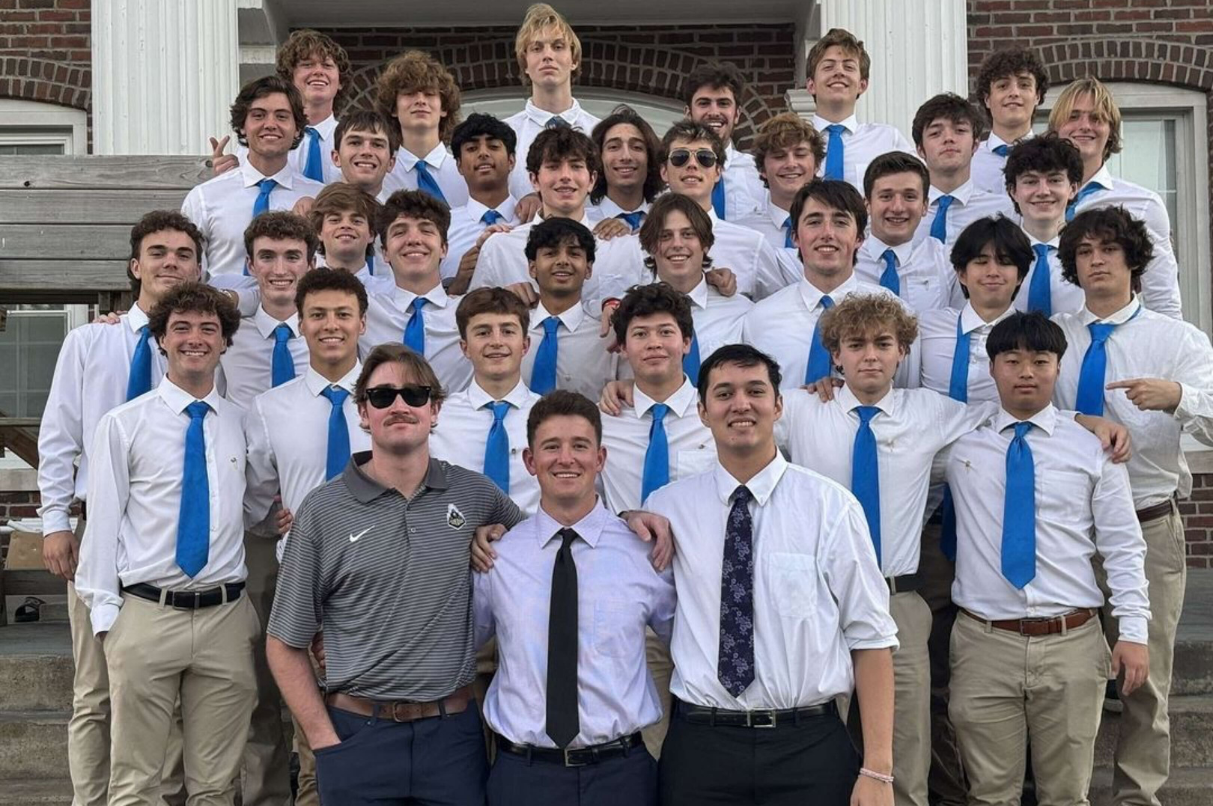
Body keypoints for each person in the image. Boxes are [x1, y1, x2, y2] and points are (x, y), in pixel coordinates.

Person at [266, 344, 526, 806]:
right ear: (363, 413)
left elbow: (544, 543)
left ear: (435, 410)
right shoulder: (322, 510)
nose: (400, 405)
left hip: (452, 739)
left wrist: (500, 530)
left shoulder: (474, 494)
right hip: (356, 737)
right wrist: (323, 740)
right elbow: (284, 643)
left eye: (415, 394)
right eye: (382, 396)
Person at [644, 343, 899, 806]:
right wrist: (627, 517)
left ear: (778, 405)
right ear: (702, 411)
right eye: (724, 393)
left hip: (809, 746)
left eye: (755, 391)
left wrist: (878, 769)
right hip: (702, 746)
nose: (741, 404)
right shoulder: (667, 508)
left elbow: (871, 637)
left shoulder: (830, 507)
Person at [777, 294, 997, 806]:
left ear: (903, 352)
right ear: (836, 355)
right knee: (819, 751)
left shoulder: (928, 411)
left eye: (883, 343)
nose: (870, 355)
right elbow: (720, 419)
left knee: (904, 755)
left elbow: (1008, 415)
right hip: (818, 603)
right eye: (855, 345)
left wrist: (1087, 422)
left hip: (896, 600)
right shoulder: (802, 409)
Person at [947, 311, 1150, 806]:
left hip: (1071, 642)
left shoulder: (1092, 449)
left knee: (1066, 794)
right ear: (992, 368)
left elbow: (1123, 544)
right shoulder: (958, 443)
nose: (1026, 372)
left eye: (1040, 361)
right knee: (990, 795)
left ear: (1059, 368)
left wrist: (1133, 631)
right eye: (1011, 360)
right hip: (983, 643)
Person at [38, 211, 202, 806]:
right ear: (135, 266)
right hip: (98, 528)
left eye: (184, 254)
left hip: (173, 530)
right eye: (158, 252)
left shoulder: (199, 348)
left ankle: (161, 796)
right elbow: (59, 437)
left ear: (198, 269)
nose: (170, 263)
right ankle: (91, 799)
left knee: (169, 686)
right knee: (95, 688)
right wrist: (55, 522)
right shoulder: (90, 342)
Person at [1052, 206, 1213, 806]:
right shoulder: (1055, 336)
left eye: (1109, 250)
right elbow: (1024, 410)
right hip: (1066, 532)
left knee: (1146, 679)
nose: (1097, 261)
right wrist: (1083, 419)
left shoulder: (1176, 340)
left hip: (1147, 525)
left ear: (1133, 259)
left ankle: (1136, 796)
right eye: (1084, 252)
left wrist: (1178, 397)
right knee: (1068, 676)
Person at [76, 283, 256, 805]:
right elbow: (102, 525)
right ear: (161, 339)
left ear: (224, 342)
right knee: (136, 785)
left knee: (215, 788)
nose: (194, 338)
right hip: (147, 615)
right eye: (181, 327)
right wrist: (108, 621)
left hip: (225, 618)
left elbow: (257, 506)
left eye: (208, 329)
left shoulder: (243, 424)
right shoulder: (123, 424)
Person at [474, 390, 676, 806]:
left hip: (621, 774)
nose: (566, 458)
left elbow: (693, 645)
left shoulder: (644, 552)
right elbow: (460, 645)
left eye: (580, 446)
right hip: (523, 775)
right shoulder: (497, 557)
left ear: (600, 458)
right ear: (530, 461)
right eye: (551, 447)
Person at [915, 215, 1033, 806]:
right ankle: (948, 790)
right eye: (980, 261)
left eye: (1005, 262)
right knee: (932, 669)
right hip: (936, 520)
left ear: (1020, 274)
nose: (992, 271)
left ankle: (1020, 786)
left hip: (1004, 523)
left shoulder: (1035, 340)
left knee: (1010, 668)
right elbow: (899, 399)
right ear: (960, 273)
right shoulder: (927, 330)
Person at [244, 267, 371, 806]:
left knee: (375, 729)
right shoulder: (272, 407)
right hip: (306, 584)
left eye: (343, 314)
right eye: (317, 315)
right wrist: (272, 521)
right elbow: (256, 500)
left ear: (363, 322)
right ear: (300, 324)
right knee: (315, 741)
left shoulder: (392, 397)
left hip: (380, 584)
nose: (330, 325)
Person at [742, 179, 911, 389]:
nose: (827, 234)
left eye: (840, 222)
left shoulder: (895, 313)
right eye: (814, 222)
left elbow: (905, 393)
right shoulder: (759, 319)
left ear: (859, 238)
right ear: (795, 237)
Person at [469, 127, 649, 310]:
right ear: (534, 180)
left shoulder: (626, 248)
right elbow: (471, 315)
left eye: (576, 166)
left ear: (592, 180)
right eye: (553, 167)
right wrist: (499, 300)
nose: (565, 176)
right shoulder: (500, 248)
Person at [1049, 77, 1183, 319]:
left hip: (1106, 336)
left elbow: (1163, 301)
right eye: (1073, 116)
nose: (1084, 126)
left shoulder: (1142, 205)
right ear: (1056, 128)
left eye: (1096, 118)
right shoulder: (1029, 200)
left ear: (1110, 133)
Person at [184, 76, 324, 278]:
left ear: (298, 129)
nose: (270, 124)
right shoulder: (204, 198)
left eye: (282, 116)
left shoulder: (319, 198)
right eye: (258, 116)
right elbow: (190, 273)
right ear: (242, 126)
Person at [429, 288, 542, 514]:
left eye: (507, 331)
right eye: (483, 333)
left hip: (534, 534)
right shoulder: (437, 419)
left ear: (525, 345)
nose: (496, 341)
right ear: (465, 348)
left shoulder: (550, 417)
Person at [658, 120, 797, 299]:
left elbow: (779, 307)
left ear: (718, 172)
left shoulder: (751, 245)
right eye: (680, 157)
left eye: (705, 158)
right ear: (664, 172)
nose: (692, 165)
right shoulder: (637, 245)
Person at [361, 189, 473, 392]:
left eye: (426, 230)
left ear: (444, 249)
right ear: (385, 252)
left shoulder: (471, 315)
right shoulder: (364, 311)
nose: (413, 239)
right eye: (399, 232)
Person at [211, 30, 352, 186]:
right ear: (289, 78)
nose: (319, 72)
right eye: (307, 65)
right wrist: (226, 176)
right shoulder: (260, 137)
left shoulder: (352, 141)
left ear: (340, 81)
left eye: (327, 65)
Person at [639, 194, 753, 383]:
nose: (677, 244)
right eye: (665, 236)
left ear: (705, 244)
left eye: (688, 234)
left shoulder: (741, 310)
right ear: (650, 247)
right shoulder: (631, 312)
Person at [504, 3, 601, 213]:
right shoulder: (504, 136)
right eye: (537, 48)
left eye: (558, 47)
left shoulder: (599, 133)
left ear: (574, 60)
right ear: (525, 64)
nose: (547, 56)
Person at [220, 212, 315, 409]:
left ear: (311, 265)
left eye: (292, 257)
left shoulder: (328, 333)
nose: (279, 270)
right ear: (250, 265)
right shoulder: (226, 333)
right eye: (267, 257)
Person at [518, 217, 618, 400]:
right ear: (532, 268)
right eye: (551, 253)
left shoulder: (608, 335)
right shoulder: (512, 330)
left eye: (574, 254)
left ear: (588, 269)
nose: (563, 261)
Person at [806, 27, 914, 190]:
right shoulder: (793, 143)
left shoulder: (888, 140)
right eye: (828, 67)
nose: (839, 72)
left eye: (849, 67)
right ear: (811, 85)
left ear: (862, 85)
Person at [856, 152, 959, 314]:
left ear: (925, 206)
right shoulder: (846, 261)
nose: (897, 207)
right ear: (867, 204)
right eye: (886, 196)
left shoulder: (945, 261)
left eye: (909, 197)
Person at [910, 93, 1014, 254]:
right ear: (920, 150)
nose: (948, 138)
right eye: (935, 133)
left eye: (959, 130)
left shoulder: (1004, 211)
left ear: (976, 144)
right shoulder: (903, 212)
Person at [1004, 134, 1084, 316]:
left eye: (1054, 180)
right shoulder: (996, 255)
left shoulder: (1090, 255)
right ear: (1013, 191)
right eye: (1030, 181)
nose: (1043, 191)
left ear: (1073, 188)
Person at [377, 50, 469, 207]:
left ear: (444, 108)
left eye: (429, 94)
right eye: (409, 94)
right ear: (393, 108)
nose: (420, 100)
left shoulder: (466, 173)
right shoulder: (380, 176)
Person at [444, 114, 522, 290]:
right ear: (459, 166)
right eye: (472, 148)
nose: (483, 153)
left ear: (511, 161)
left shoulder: (532, 220)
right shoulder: (444, 227)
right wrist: (459, 282)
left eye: (493, 146)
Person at [735, 112, 823, 263]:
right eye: (779, 156)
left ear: (817, 165)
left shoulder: (836, 230)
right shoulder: (742, 235)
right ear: (762, 169)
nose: (791, 164)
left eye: (800, 155)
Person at [682, 61, 763, 219]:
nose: (714, 112)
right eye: (704, 103)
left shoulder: (759, 172)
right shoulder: (672, 173)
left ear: (737, 114)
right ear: (688, 113)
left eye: (723, 103)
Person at [969, 47, 1048, 195]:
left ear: (1037, 96)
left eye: (1024, 85)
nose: (1014, 93)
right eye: (1003, 86)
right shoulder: (967, 162)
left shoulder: (1053, 160)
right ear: (987, 99)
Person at [308, 181, 392, 293]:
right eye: (335, 220)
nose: (346, 225)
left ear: (371, 234)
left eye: (356, 221)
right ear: (319, 232)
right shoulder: (300, 292)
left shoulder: (391, 292)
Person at [588, 105, 663, 228]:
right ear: (598, 157)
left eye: (637, 147)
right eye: (614, 147)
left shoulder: (668, 223)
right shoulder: (584, 223)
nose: (626, 156)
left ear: (650, 158)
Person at [330, 109, 400, 202]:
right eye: (355, 143)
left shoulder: (402, 210)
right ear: (336, 158)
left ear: (391, 163)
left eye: (377, 145)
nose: (366, 151)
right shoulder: (317, 209)